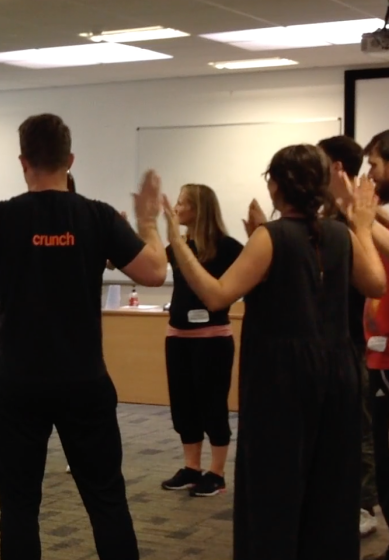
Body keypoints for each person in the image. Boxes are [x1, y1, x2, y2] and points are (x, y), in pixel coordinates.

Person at [0, 113, 169, 560]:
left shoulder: (0, 217)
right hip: (84, 381)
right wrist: (149, 220)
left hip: (19, 383)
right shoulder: (96, 215)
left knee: (18, 507)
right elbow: (155, 271)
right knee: (107, 501)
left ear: (22, 161)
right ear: (70, 160)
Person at [165, 144, 384, 560]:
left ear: (276, 184)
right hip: (338, 368)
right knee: (332, 477)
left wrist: (178, 245)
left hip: (282, 374)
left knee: (276, 479)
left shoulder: (272, 236)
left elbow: (216, 295)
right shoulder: (337, 234)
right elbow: (375, 282)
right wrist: (360, 224)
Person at [160, 184, 242, 497]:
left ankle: (217, 474)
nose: (176, 208)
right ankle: (191, 467)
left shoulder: (228, 246)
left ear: (198, 209)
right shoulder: (177, 247)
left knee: (212, 405)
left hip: (212, 339)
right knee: (183, 405)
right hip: (177, 337)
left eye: (182, 203)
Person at [318, 134, 381, 538]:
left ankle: (363, 505)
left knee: (361, 429)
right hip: (329, 339)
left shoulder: (357, 218)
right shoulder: (326, 217)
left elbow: (373, 279)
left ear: (337, 168)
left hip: (358, 339)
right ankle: (339, 499)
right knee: (338, 426)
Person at [362, 129, 389, 560]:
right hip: (377, 349)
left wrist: (362, 221)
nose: (370, 173)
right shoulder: (379, 214)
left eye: (376, 165)